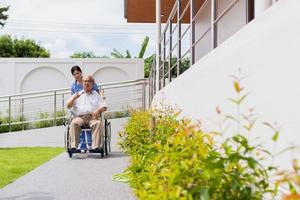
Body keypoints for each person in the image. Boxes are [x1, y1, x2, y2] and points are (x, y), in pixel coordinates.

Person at [67, 75, 107, 150]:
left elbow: (104, 106)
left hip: (93, 117)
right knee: (74, 123)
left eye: (89, 81)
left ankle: (96, 146)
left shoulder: (96, 95)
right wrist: (74, 98)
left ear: (92, 83)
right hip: (80, 117)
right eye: (85, 81)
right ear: (82, 83)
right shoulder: (78, 94)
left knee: (98, 123)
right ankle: (73, 146)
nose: (86, 83)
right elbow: (68, 106)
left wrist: (98, 110)